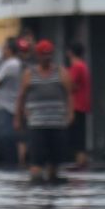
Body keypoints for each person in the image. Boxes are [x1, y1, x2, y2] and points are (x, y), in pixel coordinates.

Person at [16, 38, 75, 184]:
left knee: (55, 163)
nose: (46, 57)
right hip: (37, 124)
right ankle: (37, 186)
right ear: (37, 55)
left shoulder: (61, 72)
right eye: (43, 54)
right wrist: (18, 118)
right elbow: (21, 97)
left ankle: (53, 182)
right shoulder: (29, 74)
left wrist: (71, 114)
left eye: (49, 54)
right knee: (36, 162)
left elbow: (69, 95)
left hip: (57, 123)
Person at [0, 40, 24, 169]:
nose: (1, 51)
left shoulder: (10, 65)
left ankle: (10, 165)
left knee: (6, 138)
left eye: (3, 49)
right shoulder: (7, 64)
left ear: (9, 50)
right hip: (5, 106)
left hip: (6, 107)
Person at [65, 40, 92, 169]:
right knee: (80, 134)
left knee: (77, 136)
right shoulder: (83, 65)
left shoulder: (76, 66)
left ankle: (80, 162)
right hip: (82, 104)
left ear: (70, 52)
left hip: (76, 105)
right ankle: (81, 161)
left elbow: (70, 84)